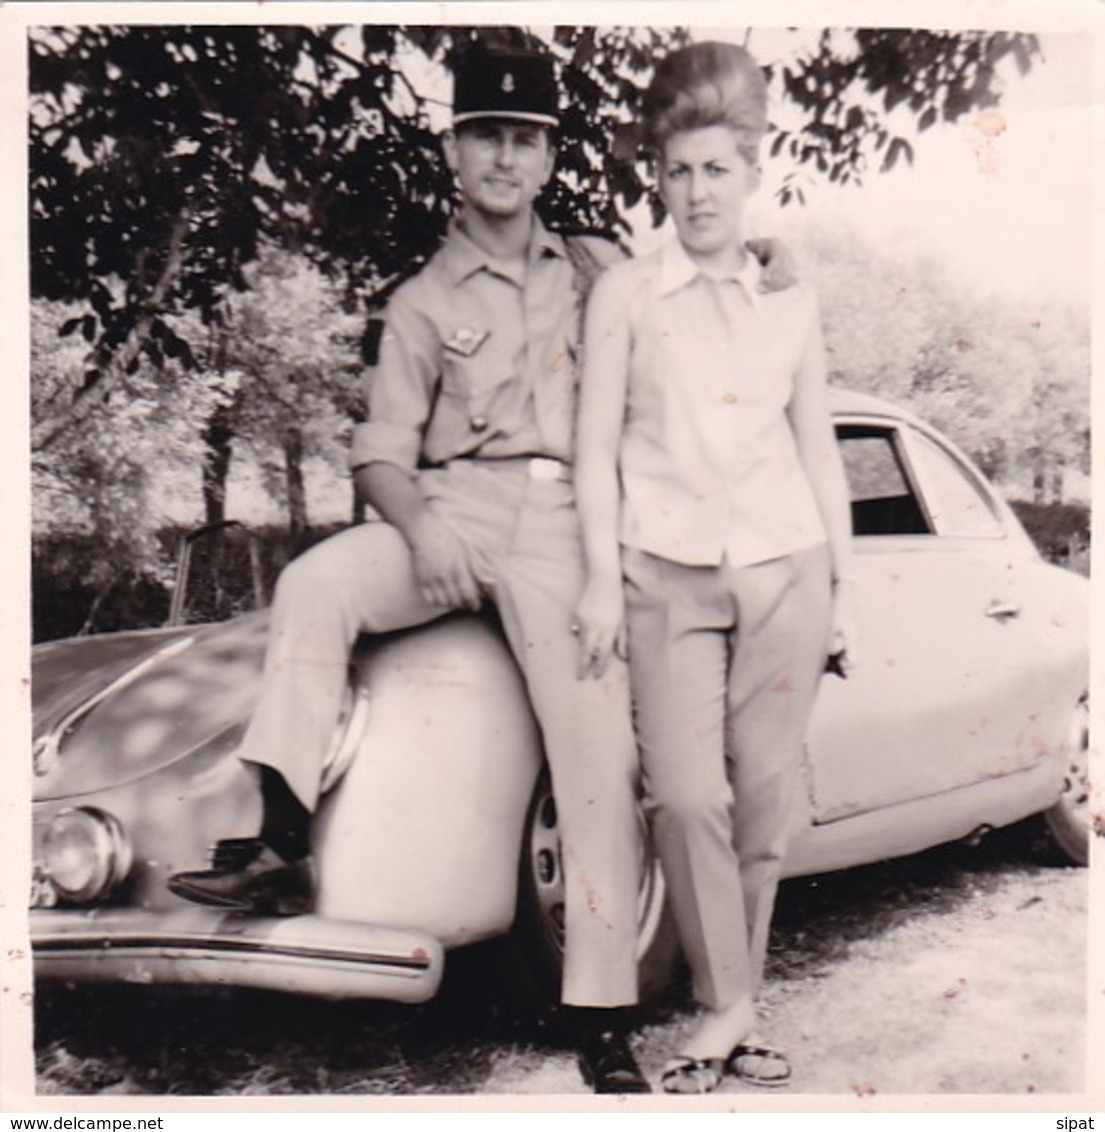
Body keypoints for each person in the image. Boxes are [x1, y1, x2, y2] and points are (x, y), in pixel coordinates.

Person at [169, 44, 652, 1094]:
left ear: (549, 155)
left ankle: (603, 1008)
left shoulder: (597, 269)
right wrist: (419, 524)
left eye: (524, 139)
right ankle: (281, 832)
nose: (504, 157)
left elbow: (693, 302)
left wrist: (769, 268)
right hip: (452, 509)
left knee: (595, 759)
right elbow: (383, 449)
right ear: (454, 149)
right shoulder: (424, 297)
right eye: (485, 134)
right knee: (316, 582)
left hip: (568, 524)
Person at [572, 41, 859, 1094]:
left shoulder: (792, 295)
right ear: (658, 172)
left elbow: (817, 444)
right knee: (688, 796)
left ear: (753, 171)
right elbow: (597, 452)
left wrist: (844, 596)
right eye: (678, 169)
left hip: (788, 565)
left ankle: (726, 1012)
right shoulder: (626, 298)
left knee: (765, 797)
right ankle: (729, 1003)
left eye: (717, 170)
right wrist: (602, 578)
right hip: (665, 572)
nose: (696, 192)